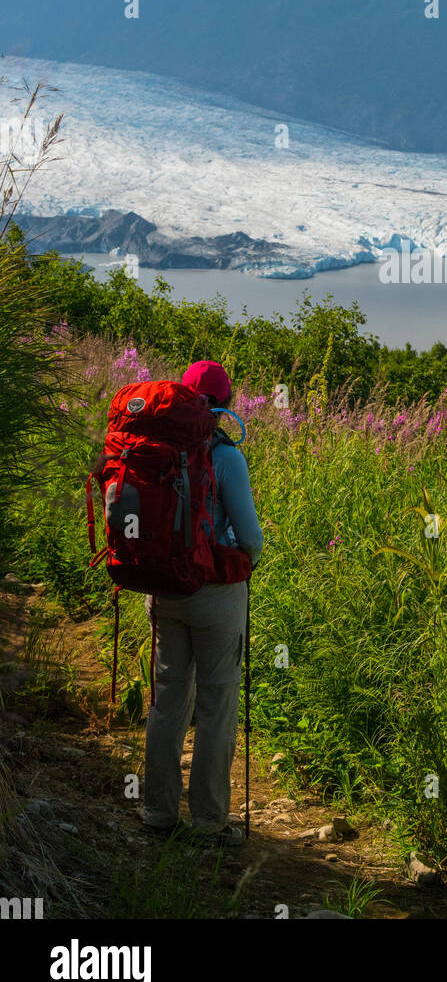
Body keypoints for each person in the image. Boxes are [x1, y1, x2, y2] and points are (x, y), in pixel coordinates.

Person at [142, 359, 264, 846]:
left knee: (168, 700)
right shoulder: (226, 455)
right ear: (226, 403)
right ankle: (210, 823)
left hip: (164, 588)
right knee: (216, 705)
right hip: (214, 595)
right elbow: (250, 538)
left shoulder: (157, 445)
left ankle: (157, 814)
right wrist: (242, 561)